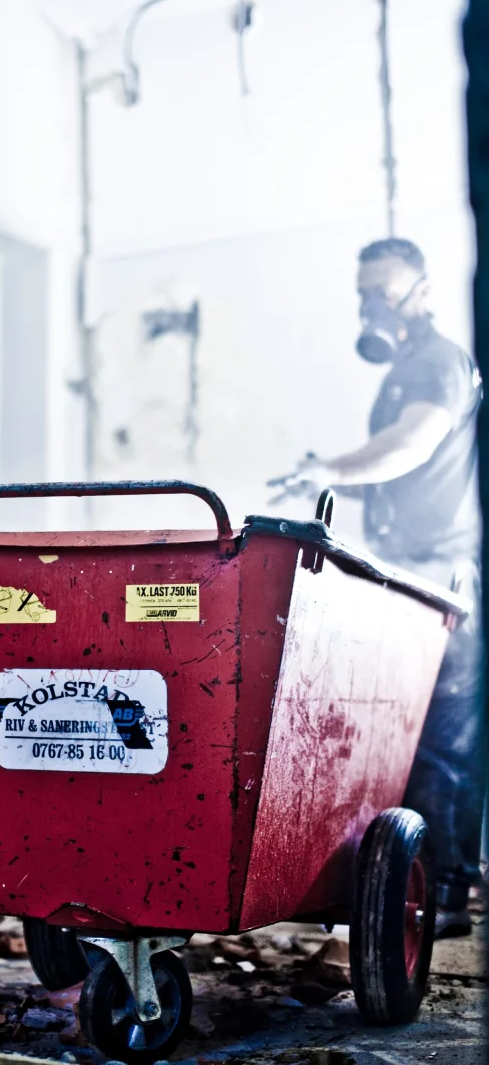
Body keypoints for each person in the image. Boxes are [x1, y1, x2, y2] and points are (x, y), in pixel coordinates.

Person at [275, 237, 484, 938]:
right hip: (410, 574)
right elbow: (405, 469)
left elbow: (411, 445)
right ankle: (409, 885)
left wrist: (330, 470)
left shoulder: (438, 362)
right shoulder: (404, 370)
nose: (372, 306)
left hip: (446, 575)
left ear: (422, 291)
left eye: (384, 292)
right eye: (363, 292)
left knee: (441, 739)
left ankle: (445, 896)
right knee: (401, 731)